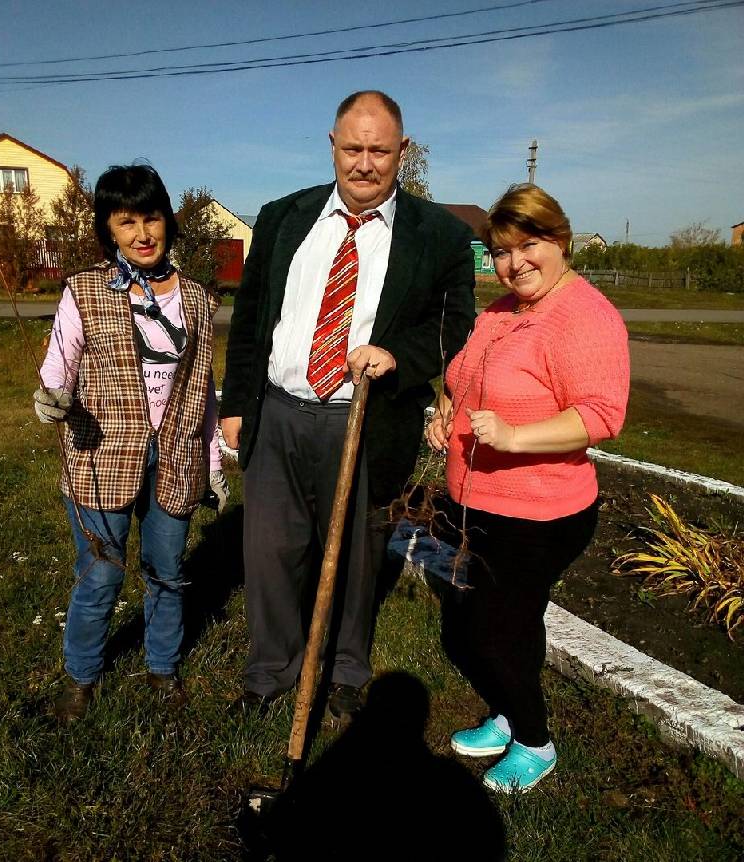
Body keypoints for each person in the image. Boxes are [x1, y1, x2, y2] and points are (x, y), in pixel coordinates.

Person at [220, 91, 476, 720]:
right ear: (331, 143)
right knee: (270, 547)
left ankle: (344, 669)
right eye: (353, 147)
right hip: (280, 412)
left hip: (366, 417)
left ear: (402, 152)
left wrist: (397, 355)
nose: (364, 163)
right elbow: (252, 319)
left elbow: (454, 324)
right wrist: (237, 404)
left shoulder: (438, 234)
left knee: (360, 554)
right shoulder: (283, 218)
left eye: (379, 150)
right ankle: (270, 669)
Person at [427, 183, 629, 792]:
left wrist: (515, 436)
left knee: (496, 629)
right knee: (486, 625)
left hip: (541, 513)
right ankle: (512, 715)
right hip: (479, 504)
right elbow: (462, 375)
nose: (516, 264)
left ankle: (536, 743)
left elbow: (601, 414)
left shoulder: (585, 317)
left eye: (529, 245)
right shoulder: (501, 312)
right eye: (502, 251)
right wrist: (444, 408)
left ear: (561, 240)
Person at [34, 164, 228, 723]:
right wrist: (51, 400)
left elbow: (203, 389)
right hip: (100, 458)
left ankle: (162, 668)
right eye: (127, 222)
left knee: (166, 570)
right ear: (109, 229)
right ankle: (81, 677)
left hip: (174, 457)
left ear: (167, 221)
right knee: (100, 573)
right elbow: (59, 369)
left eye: (152, 218)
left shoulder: (194, 298)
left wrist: (211, 458)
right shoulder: (84, 291)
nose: (143, 233)